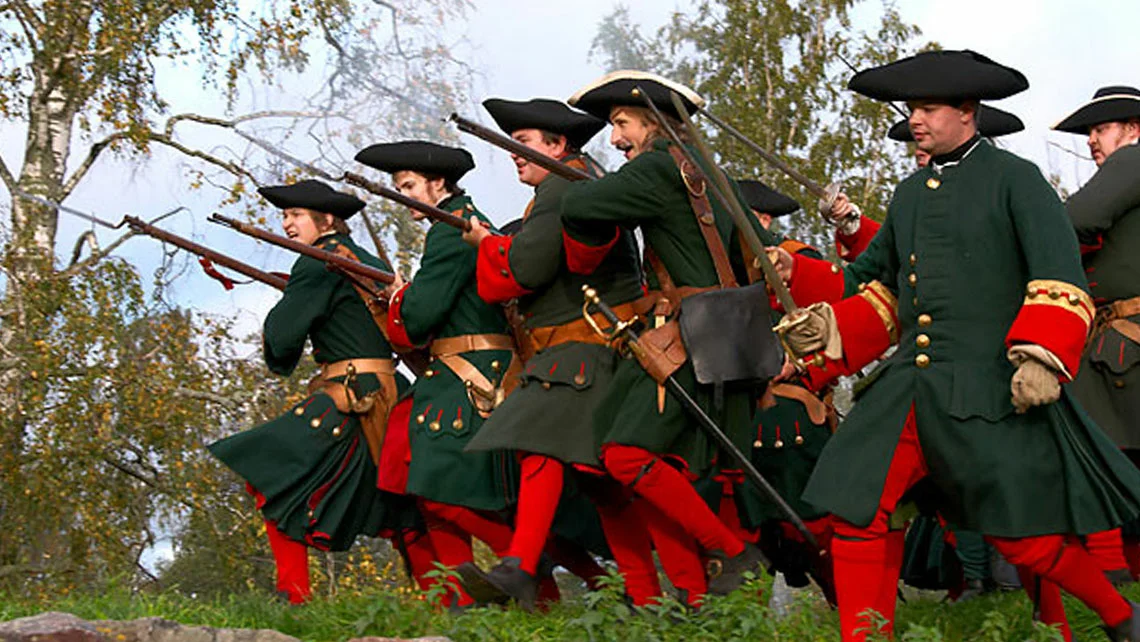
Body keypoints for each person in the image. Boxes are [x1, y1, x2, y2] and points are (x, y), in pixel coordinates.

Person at [770, 50, 1140, 642]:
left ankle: (1121, 616)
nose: (915, 119)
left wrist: (1041, 354)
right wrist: (825, 319)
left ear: (967, 111)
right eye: (912, 108)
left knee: (1023, 538)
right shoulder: (910, 192)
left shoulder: (1016, 179)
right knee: (856, 511)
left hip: (989, 387)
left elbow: (1058, 273)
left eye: (927, 107)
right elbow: (877, 285)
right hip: (909, 393)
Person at [561, 70, 780, 599]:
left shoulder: (660, 168)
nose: (614, 138)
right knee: (659, 471)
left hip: (687, 339)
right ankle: (692, 600)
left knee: (623, 455)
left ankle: (731, 552)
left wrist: (578, 185)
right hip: (725, 338)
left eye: (621, 123)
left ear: (653, 123)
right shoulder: (706, 169)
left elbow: (578, 207)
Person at [457, 97, 657, 610]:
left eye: (522, 144)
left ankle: (521, 567)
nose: (513, 155)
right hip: (583, 345)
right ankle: (649, 601)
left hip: (582, 346)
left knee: (539, 445)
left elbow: (525, 269)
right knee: (605, 487)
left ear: (557, 145)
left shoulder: (560, 187)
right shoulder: (568, 183)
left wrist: (486, 244)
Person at [208, 180, 418, 605]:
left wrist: (289, 303)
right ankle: (449, 601)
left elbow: (283, 341)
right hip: (391, 391)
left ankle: (294, 597)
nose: (286, 224)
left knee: (271, 474)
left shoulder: (316, 262)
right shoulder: (362, 259)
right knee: (402, 511)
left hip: (351, 393)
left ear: (326, 221)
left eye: (295, 216)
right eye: (284, 216)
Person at [353, 141, 518, 608]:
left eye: (408, 187)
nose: (403, 198)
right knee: (424, 488)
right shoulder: (456, 222)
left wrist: (398, 298)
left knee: (435, 487)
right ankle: (456, 604)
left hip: (472, 374)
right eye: (399, 188)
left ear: (438, 184)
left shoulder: (449, 230)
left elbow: (421, 317)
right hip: (456, 370)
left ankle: (523, 569)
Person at [1055, 85, 1140, 584]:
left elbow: (1077, 218)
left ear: (1132, 130)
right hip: (1119, 334)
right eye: (1089, 130)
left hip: (1125, 339)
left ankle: (1111, 573)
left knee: (1090, 444)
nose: (1091, 139)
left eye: (1101, 127)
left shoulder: (1130, 161)